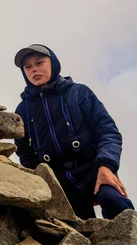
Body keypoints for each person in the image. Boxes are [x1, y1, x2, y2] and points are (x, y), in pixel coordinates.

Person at [13, 44, 134, 220]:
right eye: (28, 67)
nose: (34, 70)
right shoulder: (23, 109)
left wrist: (106, 166)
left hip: (93, 169)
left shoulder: (78, 93)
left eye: (39, 63)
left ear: (53, 63)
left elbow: (108, 131)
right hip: (58, 182)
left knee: (114, 201)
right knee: (73, 234)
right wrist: (42, 180)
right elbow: (24, 151)